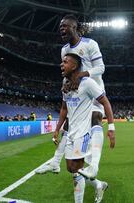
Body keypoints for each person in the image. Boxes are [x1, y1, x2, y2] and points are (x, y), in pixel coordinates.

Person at [36, 14, 107, 181]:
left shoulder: (90, 44)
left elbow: (101, 68)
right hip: (76, 93)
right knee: (69, 126)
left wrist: (82, 75)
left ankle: (94, 166)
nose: (62, 28)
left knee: (95, 118)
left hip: (93, 89)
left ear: (74, 27)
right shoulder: (64, 50)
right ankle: (55, 162)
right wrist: (66, 83)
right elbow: (67, 71)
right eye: (60, 26)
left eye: (65, 25)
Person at [55, 53, 115, 203]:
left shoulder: (87, 81)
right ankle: (99, 184)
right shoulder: (66, 81)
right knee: (71, 168)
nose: (62, 64)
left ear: (75, 65)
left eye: (65, 62)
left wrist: (111, 127)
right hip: (74, 126)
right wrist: (58, 128)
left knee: (77, 167)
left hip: (88, 118)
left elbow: (105, 101)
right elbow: (64, 108)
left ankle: (93, 170)